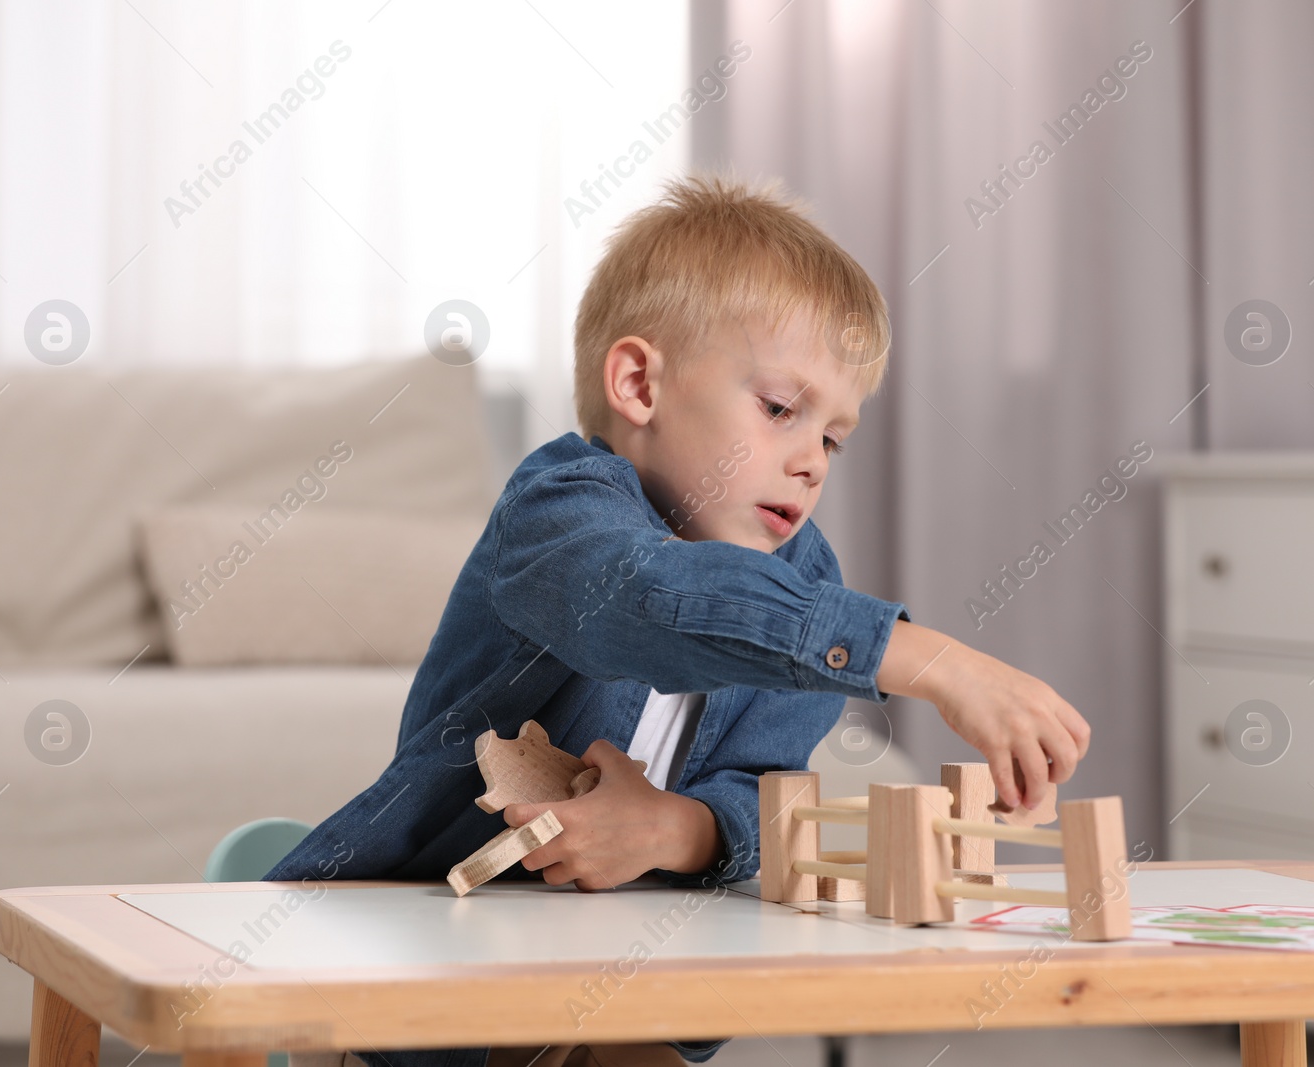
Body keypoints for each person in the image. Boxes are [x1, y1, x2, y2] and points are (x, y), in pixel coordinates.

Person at [268, 174, 1090, 1067]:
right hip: (431, 983)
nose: (812, 460)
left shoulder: (808, 576)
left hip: (614, 982)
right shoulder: (558, 512)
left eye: (833, 437)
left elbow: (761, 782)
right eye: (781, 408)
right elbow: (645, 598)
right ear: (638, 383)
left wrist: (671, 828)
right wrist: (922, 657)